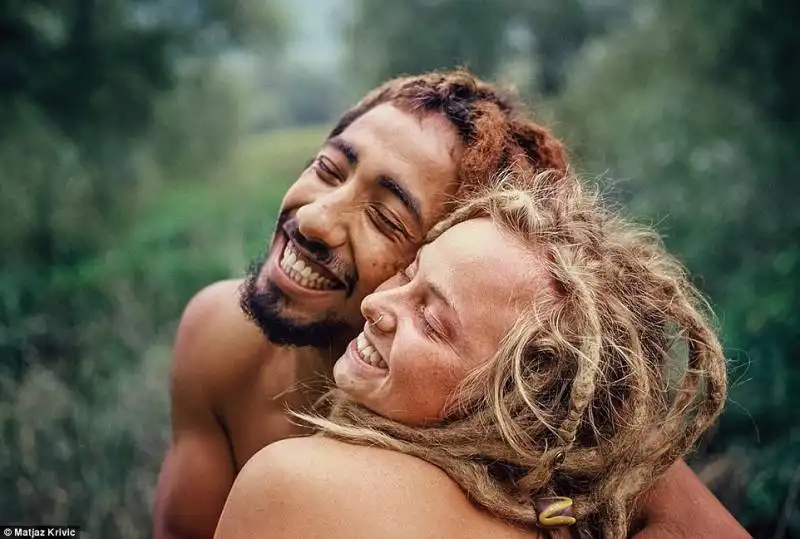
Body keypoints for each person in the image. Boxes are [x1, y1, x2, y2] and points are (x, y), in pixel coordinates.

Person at [154, 70, 749, 539]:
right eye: (329, 168)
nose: (313, 218)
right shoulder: (218, 332)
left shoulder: (543, 423)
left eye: (386, 217)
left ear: (465, 252)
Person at [214, 171, 730, 538]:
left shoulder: (296, 484)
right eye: (409, 272)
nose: (374, 303)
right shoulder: (570, 514)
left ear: (517, 405)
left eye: (432, 321)